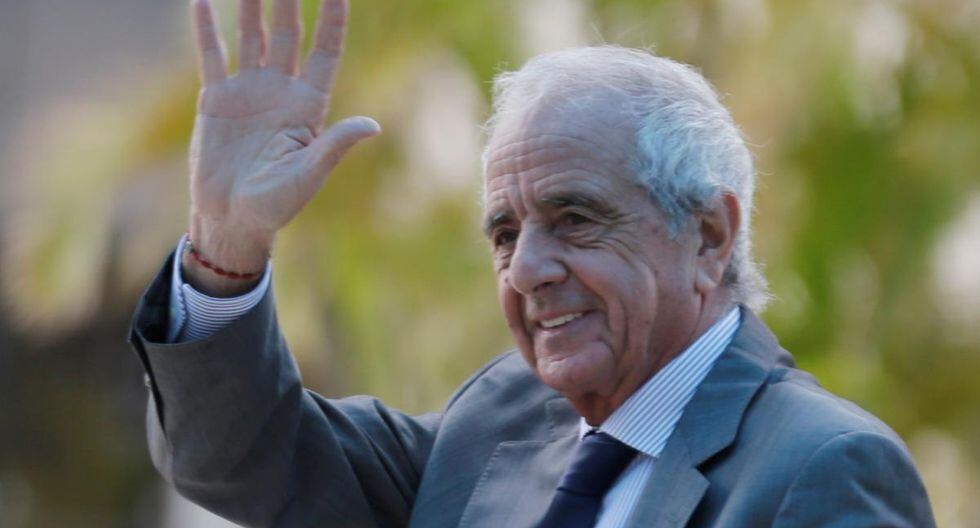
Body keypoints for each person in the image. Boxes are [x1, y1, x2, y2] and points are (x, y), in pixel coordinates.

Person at [129, 0, 936, 526]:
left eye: (575, 219)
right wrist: (226, 244)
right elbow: (240, 456)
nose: (525, 271)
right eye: (505, 234)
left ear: (709, 236)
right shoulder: (498, 422)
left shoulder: (823, 468)